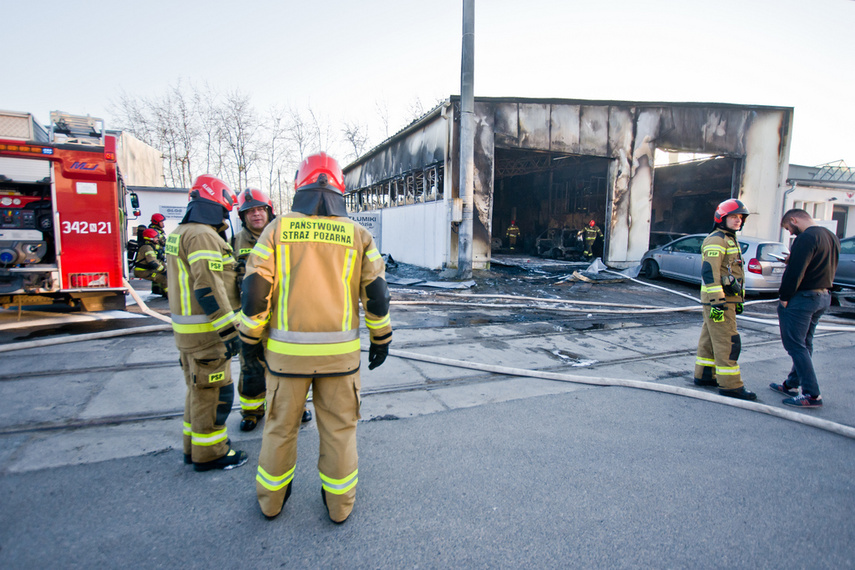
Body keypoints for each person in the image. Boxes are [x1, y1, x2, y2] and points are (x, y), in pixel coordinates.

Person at [238, 152, 392, 523]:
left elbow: (256, 290)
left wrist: (250, 337)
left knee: (278, 429)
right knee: (340, 431)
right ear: (339, 188)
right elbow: (377, 292)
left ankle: (270, 503)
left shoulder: (276, 230)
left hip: (285, 359)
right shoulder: (358, 234)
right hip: (340, 360)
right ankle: (339, 508)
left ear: (299, 186)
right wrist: (381, 337)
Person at [165, 174, 248, 472]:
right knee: (216, 393)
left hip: (189, 334)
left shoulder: (180, 232)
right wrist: (230, 331)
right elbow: (208, 287)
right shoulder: (203, 236)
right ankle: (211, 453)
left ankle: (193, 447)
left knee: (197, 391)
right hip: (207, 334)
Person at [233, 188, 313, 432]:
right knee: (251, 367)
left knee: (289, 366)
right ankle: (251, 411)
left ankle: (295, 408)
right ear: (242, 216)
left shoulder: (288, 234)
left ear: (269, 211)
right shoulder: (234, 242)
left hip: (282, 315)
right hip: (250, 315)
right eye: (250, 211)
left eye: (260, 209)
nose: (256, 214)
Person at [770, 208, 840, 408]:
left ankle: (811, 393)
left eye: (789, 228)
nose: (791, 233)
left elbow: (796, 272)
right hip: (823, 296)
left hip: (803, 298)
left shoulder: (806, 238)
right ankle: (792, 384)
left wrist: (784, 297)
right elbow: (820, 264)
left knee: (794, 345)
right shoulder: (830, 237)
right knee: (805, 343)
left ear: (794, 220)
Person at [693, 199, 756, 400]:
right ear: (722, 217)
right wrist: (718, 299)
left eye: (740, 217)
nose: (738, 221)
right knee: (728, 340)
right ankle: (731, 385)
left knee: (710, 337)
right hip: (719, 300)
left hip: (725, 300)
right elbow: (709, 271)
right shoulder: (717, 240)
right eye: (733, 217)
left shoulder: (729, 239)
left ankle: (705, 374)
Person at [133, 228, 168, 295]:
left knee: (164, 276)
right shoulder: (147, 248)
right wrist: (163, 271)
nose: (158, 239)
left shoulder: (150, 246)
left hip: (145, 270)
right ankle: (170, 295)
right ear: (150, 238)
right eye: (156, 238)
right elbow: (152, 262)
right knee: (163, 278)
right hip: (142, 271)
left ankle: (164, 293)